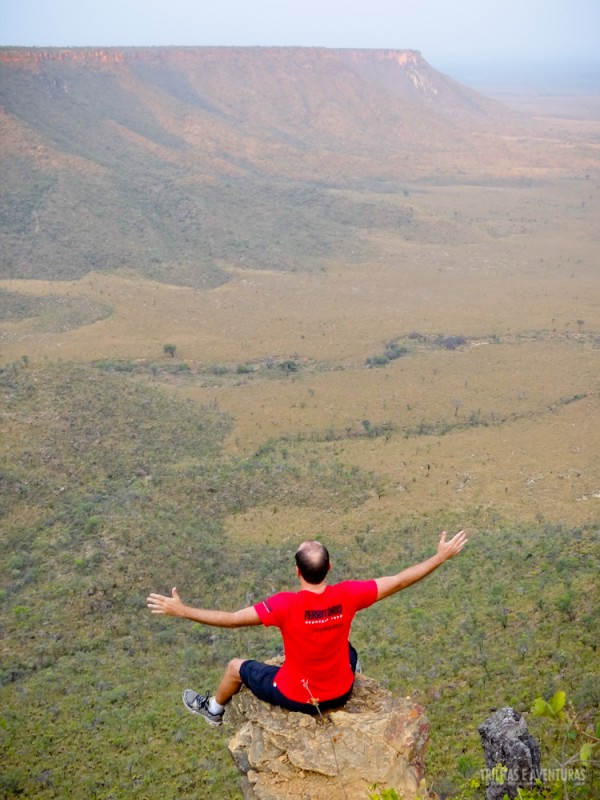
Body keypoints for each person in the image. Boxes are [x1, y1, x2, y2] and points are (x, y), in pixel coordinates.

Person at [146, 529, 467, 726]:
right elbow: (399, 580)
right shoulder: (349, 595)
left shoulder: (284, 605)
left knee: (235, 667)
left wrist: (183, 610)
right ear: (329, 568)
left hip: (300, 697)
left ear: (296, 572)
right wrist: (440, 557)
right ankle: (340, 670)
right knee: (348, 648)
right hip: (342, 690)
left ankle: (213, 711)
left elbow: (231, 620)